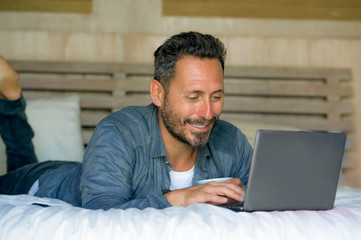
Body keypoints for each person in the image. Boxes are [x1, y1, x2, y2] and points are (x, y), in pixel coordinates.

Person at [0, 31, 253, 210]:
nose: (208, 113)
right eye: (193, 96)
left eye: (216, 96)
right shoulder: (118, 133)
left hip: (98, 170)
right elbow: (101, 213)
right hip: (45, 180)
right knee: (15, 169)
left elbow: (263, 198)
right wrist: (181, 198)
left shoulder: (231, 141)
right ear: (158, 93)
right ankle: (12, 101)